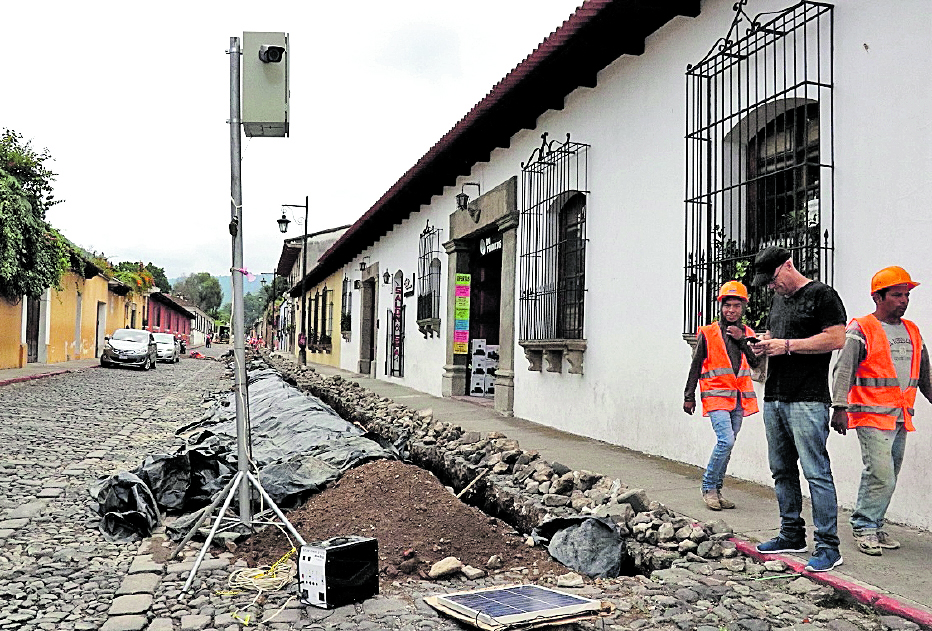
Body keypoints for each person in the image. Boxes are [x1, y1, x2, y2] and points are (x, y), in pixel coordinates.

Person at [749, 246, 847, 572]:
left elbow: (835, 339)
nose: (771, 287)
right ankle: (791, 533)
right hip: (774, 397)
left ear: (788, 265)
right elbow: (778, 338)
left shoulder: (822, 295)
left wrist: (787, 346)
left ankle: (829, 547)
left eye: (773, 279)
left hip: (808, 398)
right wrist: (765, 342)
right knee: (781, 470)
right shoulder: (778, 300)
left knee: (816, 473)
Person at [830, 266, 932, 556]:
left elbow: (925, 375)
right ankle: (864, 527)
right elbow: (843, 370)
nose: (904, 300)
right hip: (870, 414)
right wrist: (840, 407)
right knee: (881, 474)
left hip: (900, 415)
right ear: (878, 297)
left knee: (890, 474)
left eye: (906, 295)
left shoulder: (912, 330)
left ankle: (873, 522)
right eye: (897, 295)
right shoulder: (861, 328)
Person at [684, 280, 762, 510]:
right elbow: (696, 365)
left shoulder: (747, 333)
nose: (731, 310)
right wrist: (689, 396)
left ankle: (717, 491)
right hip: (716, 396)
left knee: (728, 445)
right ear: (721, 306)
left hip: (738, 398)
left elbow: (756, 362)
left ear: (743, 308)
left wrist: (741, 340)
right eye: (727, 305)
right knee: (725, 441)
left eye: (736, 306)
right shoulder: (708, 333)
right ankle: (708, 487)